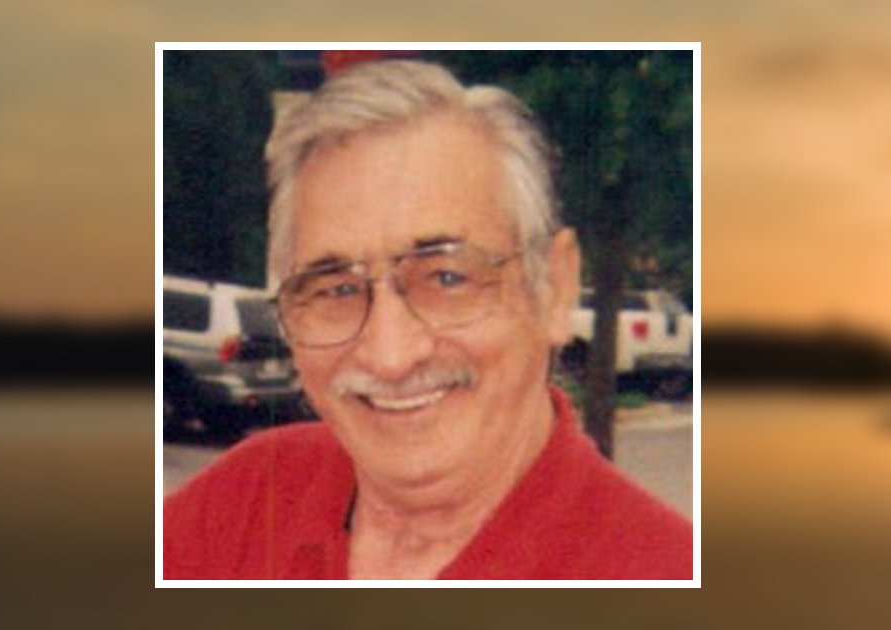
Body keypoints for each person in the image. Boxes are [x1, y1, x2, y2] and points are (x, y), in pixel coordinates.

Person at [164, 59, 692, 580]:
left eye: (446, 278)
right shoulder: (242, 507)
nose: (390, 357)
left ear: (554, 289)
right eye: (337, 289)